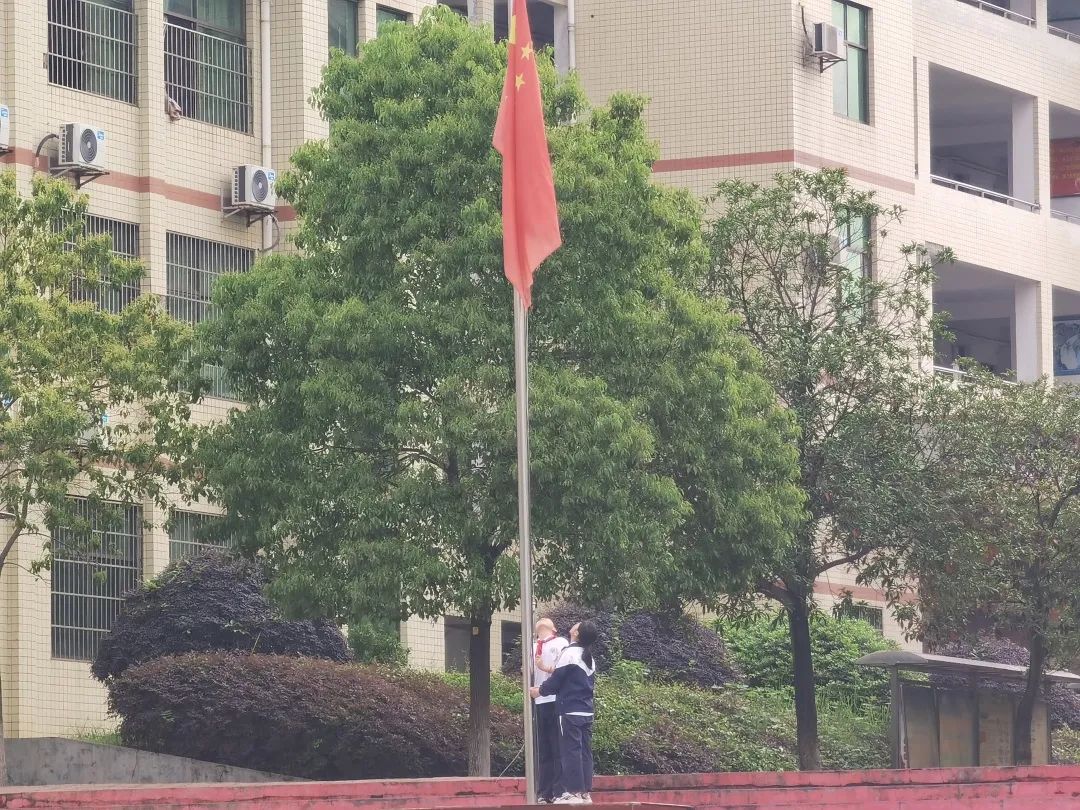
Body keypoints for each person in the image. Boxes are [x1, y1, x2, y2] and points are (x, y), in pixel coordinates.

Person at [529, 620, 598, 806]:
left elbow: (556, 681)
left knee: (571, 751)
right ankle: (585, 793)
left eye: (577, 625)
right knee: (584, 751)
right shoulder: (589, 657)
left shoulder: (568, 653)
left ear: (577, 633)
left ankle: (572, 792)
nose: (574, 625)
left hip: (569, 710)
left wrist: (539, 691)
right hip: (586, 711)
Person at [532, 618, 569, 803]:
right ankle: (544, 792)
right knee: (544, 748)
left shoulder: (561, 643)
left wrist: (544, 667)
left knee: (557, 747)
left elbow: (564, 671)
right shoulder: (532, 646)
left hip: (555, 699)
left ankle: (558, 790)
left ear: (554, 628)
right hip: (539, 701)